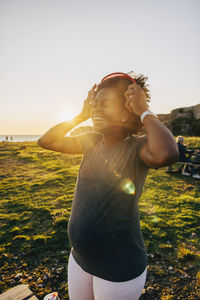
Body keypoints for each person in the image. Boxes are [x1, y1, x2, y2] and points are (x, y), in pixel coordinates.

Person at [38, 72, 179, 300]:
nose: (96, 110)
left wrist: (143, 109)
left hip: (118, 268)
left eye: (105, 104)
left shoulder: (137, 148)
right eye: (95, 104)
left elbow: (167, 153)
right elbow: (46, 141)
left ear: (127, 110)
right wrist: (82, 114)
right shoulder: (91, 141)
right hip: (80, 258)